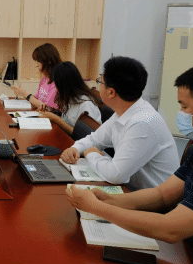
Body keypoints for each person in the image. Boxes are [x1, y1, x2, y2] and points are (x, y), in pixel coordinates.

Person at [66, 64, 193, 264]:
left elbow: (170, 228)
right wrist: (108, 199)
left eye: (185, 107)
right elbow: (162, 194)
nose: (181, 114)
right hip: (182, 255)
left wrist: (96, 208)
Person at [60, 56, 179, 191]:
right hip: (133, 190)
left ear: (111, 92)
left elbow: (115, 175)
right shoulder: (123, 112)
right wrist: (75, 149)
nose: (99, 86)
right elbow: (95, 139)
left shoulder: (143, 123)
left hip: (152, 199)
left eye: (100, 82)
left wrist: (91, 154)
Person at [40, 61, 102, 135]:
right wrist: (51, 115)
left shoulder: (86, 105)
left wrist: (57, 120)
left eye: (57, 84)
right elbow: (67, 120)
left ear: (65, 85)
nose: (56, 87)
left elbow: (84, 136)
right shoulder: (70, 98)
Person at [11, 43, 61, 110]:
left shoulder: (57, 81)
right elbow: (37, 100)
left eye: (38, 61)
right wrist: (22, 93)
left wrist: (25, 94)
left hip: (48, 115)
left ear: (49, 61)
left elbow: (46, 108)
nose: (36, 65)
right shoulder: (45, 78)